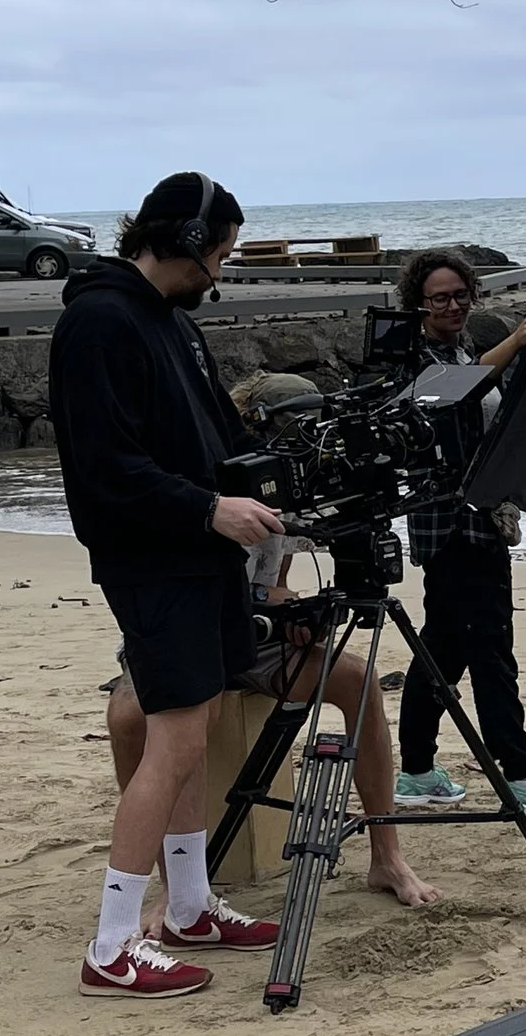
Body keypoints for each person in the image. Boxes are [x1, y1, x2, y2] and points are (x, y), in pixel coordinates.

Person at [48, 170, 282, 1000]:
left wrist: (268, 476)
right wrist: (208, 508)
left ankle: (188, 908)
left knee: (200, 719)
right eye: (218, 254)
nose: (221, 272)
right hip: (153, 556)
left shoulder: (172, 322)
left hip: (202, 549)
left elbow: (217, 431)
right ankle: (112, 944)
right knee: (174, 738)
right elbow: (105, 471)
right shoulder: (99, 321)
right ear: (181, 241)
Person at [99, 373, 443, 909]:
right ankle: (173, 887)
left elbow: (272, 584)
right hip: (180, 631)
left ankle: (386, 855)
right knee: (127, 718)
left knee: (358, 679)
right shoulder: (209, 478)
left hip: (252, 633)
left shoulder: (294, 487)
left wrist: (304, 615)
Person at [391, 248, 526, 815]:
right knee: (491, 649)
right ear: (418, 303)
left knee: (444, 649)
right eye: (440, 298)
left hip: (475, 517)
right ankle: (521, 772)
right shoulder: (414, 356)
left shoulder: (457, 346)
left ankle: (418, 771)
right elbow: (454, 391)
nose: (453, 306)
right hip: (450, 521)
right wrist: (516, 342)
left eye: (461, 296)